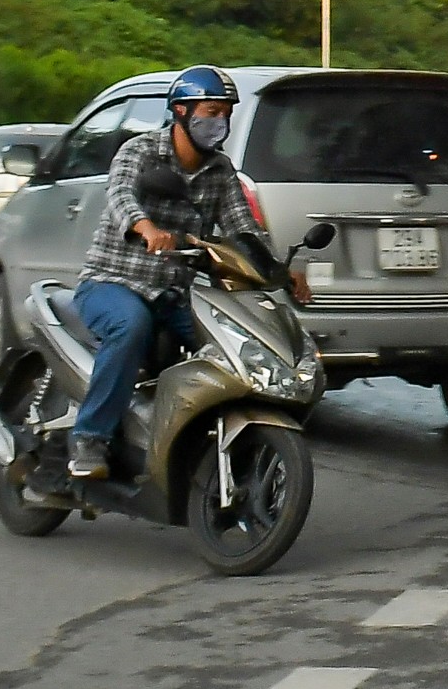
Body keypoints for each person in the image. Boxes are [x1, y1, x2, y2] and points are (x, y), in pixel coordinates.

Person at [67, 65, 304, 480]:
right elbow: (121, 193)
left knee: (234, 343)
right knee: (131, 327)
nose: (220, 123)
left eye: (225, 114)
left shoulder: (221, 171)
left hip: (174, 292)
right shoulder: (140, 151)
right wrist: (146, 227)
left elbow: (243, 227)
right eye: (211, 112)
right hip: (112, 282)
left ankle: (188, 443)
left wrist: (281, 271)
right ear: (181, 111)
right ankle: (91, 438)